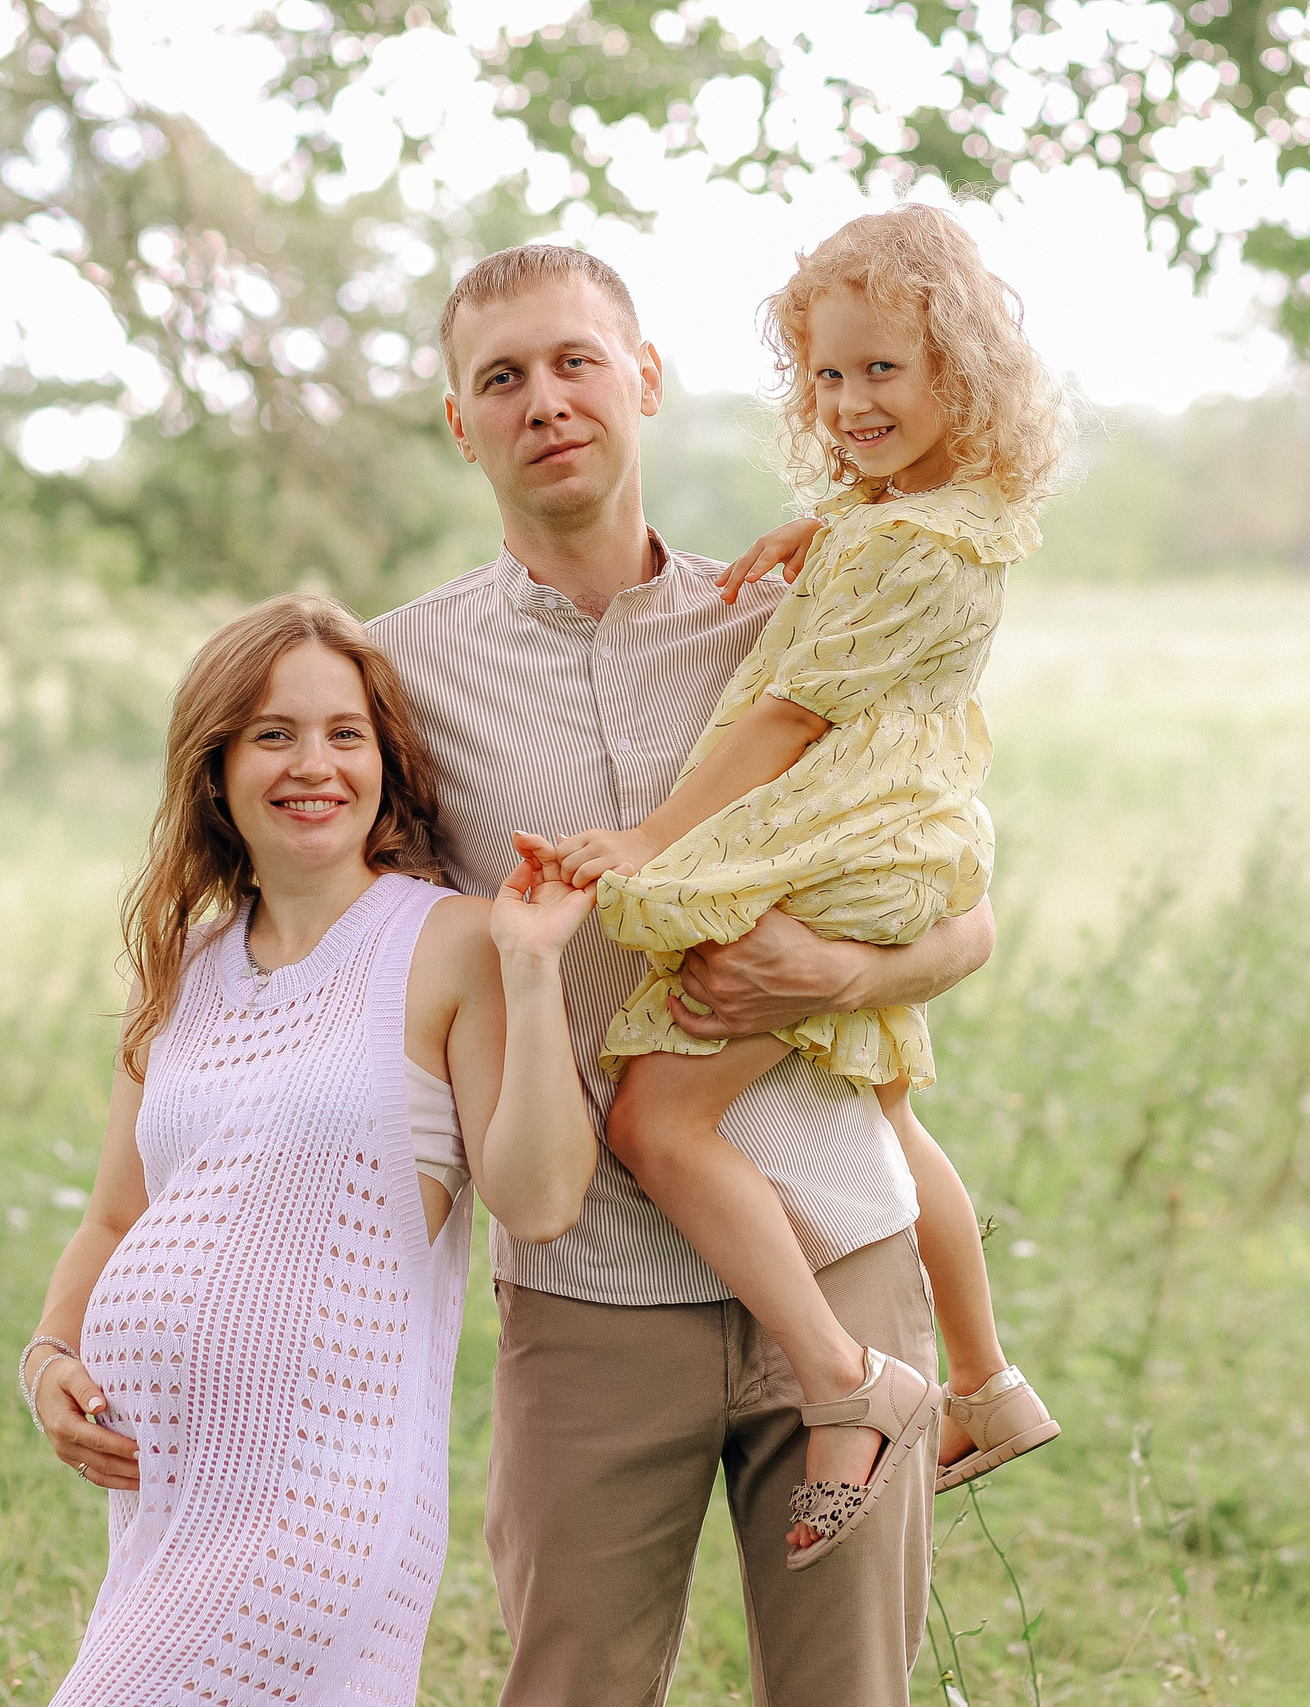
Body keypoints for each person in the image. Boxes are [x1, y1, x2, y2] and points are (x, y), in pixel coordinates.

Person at [371, 242, 991, 1704]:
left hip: (837, 1267)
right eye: (502, 378)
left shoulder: (795, 618)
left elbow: (964, 909)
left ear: (644, 380)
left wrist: (829, 967)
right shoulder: (396, 682)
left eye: (578, 361)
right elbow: (353, 968)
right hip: (589, 1295)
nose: (547, 402)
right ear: (460, 422)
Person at [534, 205, 1067, 1568]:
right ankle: (989, 1379)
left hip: (846, 840)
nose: (851, 400)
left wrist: (654, 837)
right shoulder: (940, 516)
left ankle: (845, 1378)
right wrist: (815, 533)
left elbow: (786, 715)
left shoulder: (903, 544)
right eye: (828, 376)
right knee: (883, 1116)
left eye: (884, 370)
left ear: (961, 371)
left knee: (658, 1115)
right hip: (904, 839)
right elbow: (875, 557)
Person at [17, 594, 601, 1707]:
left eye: (345, 734)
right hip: (167, 1511)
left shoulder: (448, 940)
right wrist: (46, 1358)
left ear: (384, 761)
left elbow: (539, 1198)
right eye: (273, 734)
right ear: (216, 768)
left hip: (318, 1508)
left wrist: (531, 973)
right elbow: (113, 1216)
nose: (313, 765)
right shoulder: (183, 969)